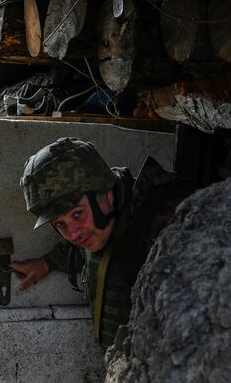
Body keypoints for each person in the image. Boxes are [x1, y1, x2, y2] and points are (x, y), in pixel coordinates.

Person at [10, 137, 191, 349]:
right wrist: (47, 263)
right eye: (60, 223)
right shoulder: (104, 220)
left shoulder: (169, 222)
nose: (73, 233)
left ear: (107, 194)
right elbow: (85, 248)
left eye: (77, 214)